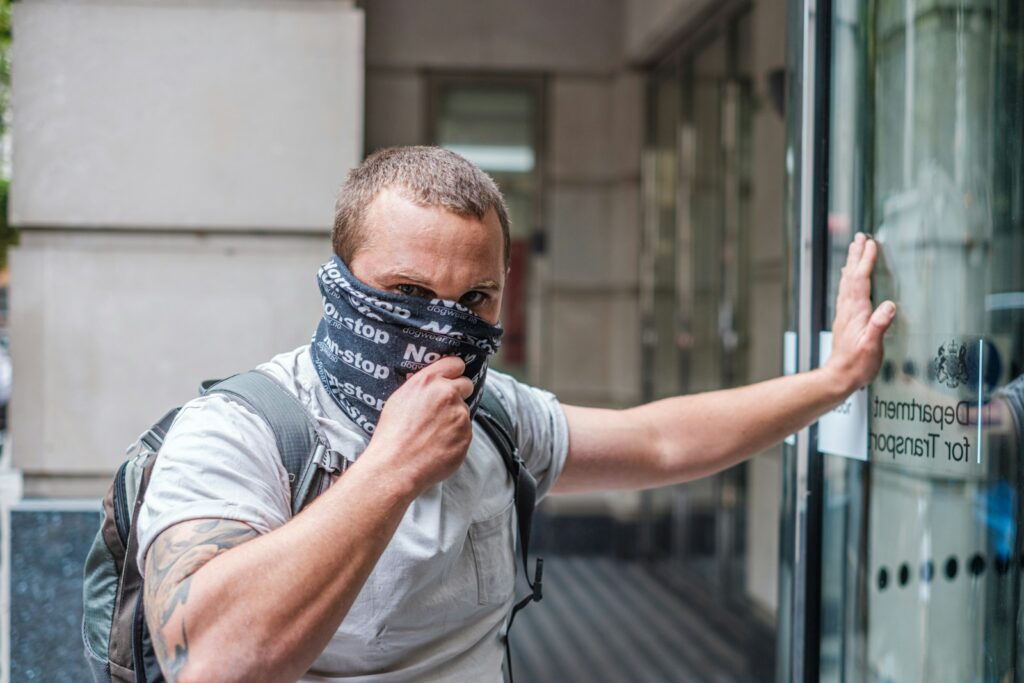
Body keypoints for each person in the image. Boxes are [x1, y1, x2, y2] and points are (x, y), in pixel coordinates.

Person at [137, 146, 895, 683]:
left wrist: (832, 380)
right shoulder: (242, 429)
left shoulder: (495, 417)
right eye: (405, 294)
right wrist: (392, 469)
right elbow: (213, 664)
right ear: (338, 283)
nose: (442, 326)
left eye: (475, 299)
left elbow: (661, 442)